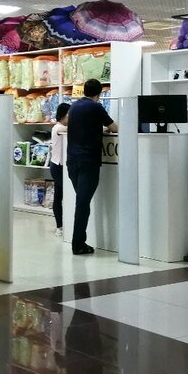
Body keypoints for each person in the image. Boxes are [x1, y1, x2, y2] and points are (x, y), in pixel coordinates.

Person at [66, 79, 117, 255]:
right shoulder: (96, 107)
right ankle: (78, 244)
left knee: (82, 202)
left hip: (72, 161)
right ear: (99, 93)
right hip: (88, 161)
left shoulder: (74, 107)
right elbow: (114, 127)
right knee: (83, 204)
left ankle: (79, 241)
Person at [50, 102, 70, 237]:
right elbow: (70, 130)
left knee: (59, 195)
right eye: (69, 115)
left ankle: (61, 226)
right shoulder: (58, 127)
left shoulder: (63, 127)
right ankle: (60, 226)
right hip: (57, 167)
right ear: (63, 115)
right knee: (61, 196)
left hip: (62, 167)